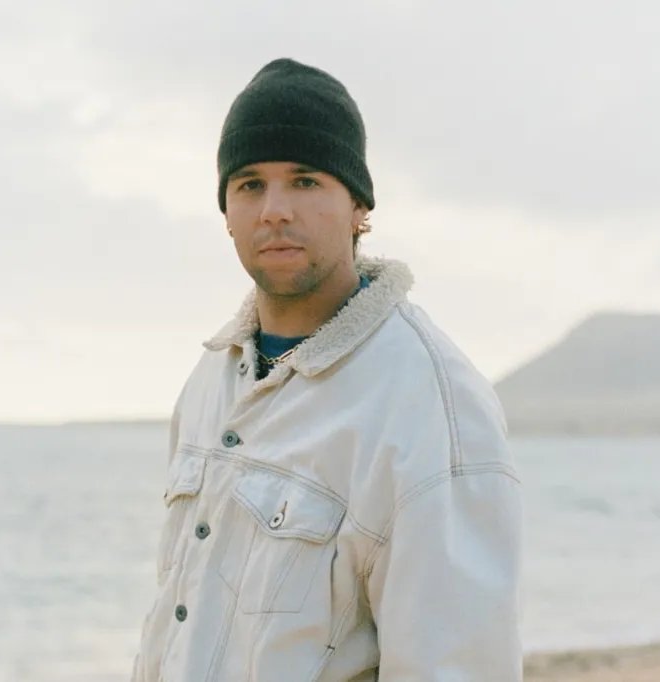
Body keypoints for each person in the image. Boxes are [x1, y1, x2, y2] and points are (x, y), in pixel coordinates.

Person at [131, 57, 522, 681]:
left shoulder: (431, 403)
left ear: (358, 205)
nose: (274, 210)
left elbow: (456, 664)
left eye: (305, 181)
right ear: (226, 211)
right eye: (250, 184)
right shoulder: (213, 379)